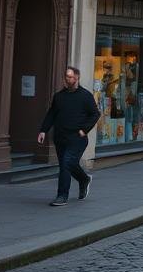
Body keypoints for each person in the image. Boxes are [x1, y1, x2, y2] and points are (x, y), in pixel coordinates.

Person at [37, 66, 100, 206]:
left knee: (67, 163)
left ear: (77, 77)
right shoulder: (59, 96)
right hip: (60, 137)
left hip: (77, 138)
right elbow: (51, 114)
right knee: (65, 165)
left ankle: (62, 196)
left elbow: (95, 114)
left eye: (70, 77)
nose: (67, 79)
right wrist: (43, 130)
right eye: (66, 76)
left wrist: (84, 130)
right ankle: (84, 179)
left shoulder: (85, 96)